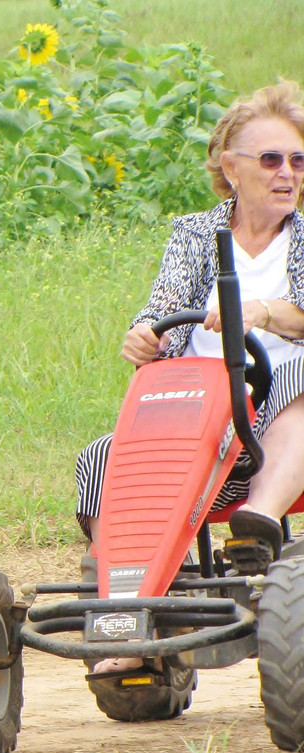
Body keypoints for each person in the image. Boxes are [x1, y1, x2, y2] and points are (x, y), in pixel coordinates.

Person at [75, 82, 304, 673]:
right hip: (202, 413)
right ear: (230, 167)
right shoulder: (197, 234)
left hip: (275, 425)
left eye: (298, 160)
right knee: (102, 455)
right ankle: (127, 620)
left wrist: (265, 312)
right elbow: (163, 306)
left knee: (302, 366)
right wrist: (144, 334)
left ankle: (260, 520)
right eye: (272, 159)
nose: (287, 173)